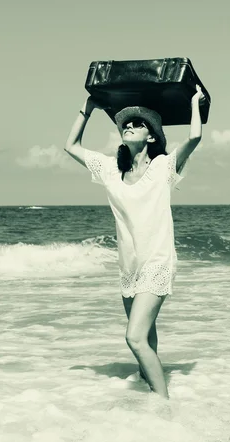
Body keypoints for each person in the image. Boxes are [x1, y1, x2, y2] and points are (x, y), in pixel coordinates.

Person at [64, 85, 205, 399]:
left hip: (156, 262)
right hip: (129, 266)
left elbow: (194, 138)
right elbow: (70, 146)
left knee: (135, 338)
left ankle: (164, 405)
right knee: (148, 339)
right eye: (125, 124)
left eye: (137, 124)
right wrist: (87, 109)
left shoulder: (162, 168)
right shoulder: (111, 171)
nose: (128, 126)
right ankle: (150, 396)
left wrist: (195, 102)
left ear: (151, 136)